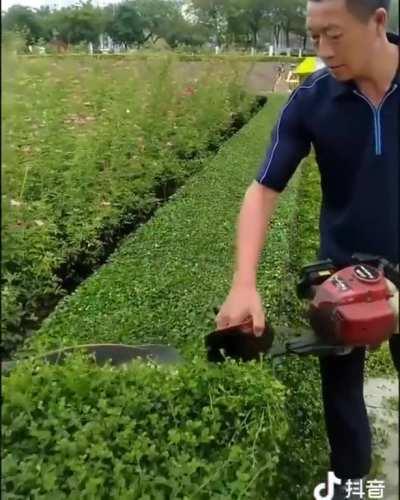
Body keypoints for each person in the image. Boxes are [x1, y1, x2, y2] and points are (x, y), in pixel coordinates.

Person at [215, 0, 399, 498]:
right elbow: (262, 190)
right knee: (341, 393)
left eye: (334, 35)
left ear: (378, 21)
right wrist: (243, 283)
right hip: (343, 270)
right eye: (313, 36)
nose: (321, 51)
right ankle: (351, 483)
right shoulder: (312, 100)